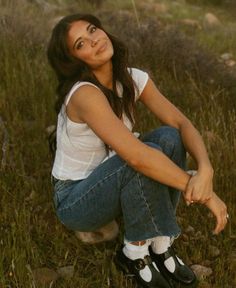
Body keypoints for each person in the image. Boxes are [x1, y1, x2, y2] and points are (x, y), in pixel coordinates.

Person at [47, 13, 228, 288]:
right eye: (81, 44)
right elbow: (136, 157)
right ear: (74, 61)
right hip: (75, 199)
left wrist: (206, 169)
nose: (94, 40)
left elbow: (181, 123)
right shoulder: (85, 93)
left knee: (168, 137)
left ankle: (160, 243)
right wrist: (203, 193)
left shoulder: (132, 78)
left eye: (93, 29)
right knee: (141, 155)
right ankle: (133, 253)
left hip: (111, 176)